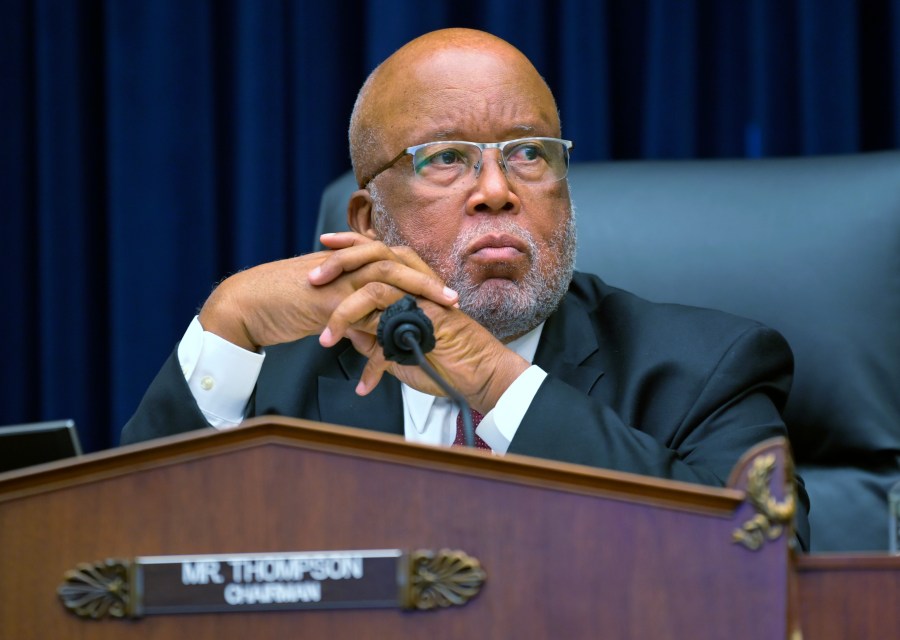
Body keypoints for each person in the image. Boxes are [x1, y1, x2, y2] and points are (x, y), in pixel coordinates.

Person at [121, 28, 809, 547]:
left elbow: (759, 566)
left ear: (565, 194)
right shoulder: (281, 381)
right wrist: (227, 318)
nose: (496, 191)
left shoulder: (706, 370)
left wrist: (492, 381)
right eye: (446, 158)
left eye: (528, 153)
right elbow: (114, 557)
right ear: (368, 222)